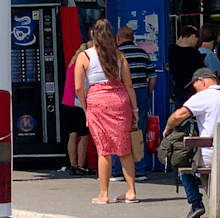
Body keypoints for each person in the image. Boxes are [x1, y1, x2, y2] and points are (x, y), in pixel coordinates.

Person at [75, 19, 139, 204]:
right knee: (124, 147)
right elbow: (129, 85)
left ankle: (104, 194)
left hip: (97, 101)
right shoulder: (119, 56)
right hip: (120, 100)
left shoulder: (84, 56)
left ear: (93, 35)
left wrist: (86, 109)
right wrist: (134, 109)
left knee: (104, 149)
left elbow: (79, 87)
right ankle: (131, 191)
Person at [162, 68, 220, 218]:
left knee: (182, 160)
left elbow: (179, 115)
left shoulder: (203, 97)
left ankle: (195, 203)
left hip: (209, 156)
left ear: (202, 81)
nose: (195, 91)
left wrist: (168, 127)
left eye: (195, 87)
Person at [114, 26, 154, 182]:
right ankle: (139, 169)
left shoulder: (116, 54)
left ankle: (118, 170)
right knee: (139, 130)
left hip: (120, 93)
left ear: (119, 38)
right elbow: (152, 77)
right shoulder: (143, 54)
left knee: (119, 130)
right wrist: (147, 93)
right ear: (132, 37)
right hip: (141, 92)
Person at [62, 40, 91, 176]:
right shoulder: (84, 66)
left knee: (72, 135)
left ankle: (72, 165)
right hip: (79, 103)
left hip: (67, 103)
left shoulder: (71, 65)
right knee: (84, 136)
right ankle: (81, 166)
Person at [169, 26, 202, 106]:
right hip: (190, 88)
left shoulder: (171, 49)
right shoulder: (194, 54)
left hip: (175, 88)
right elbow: (202, 71)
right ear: (193, 36)